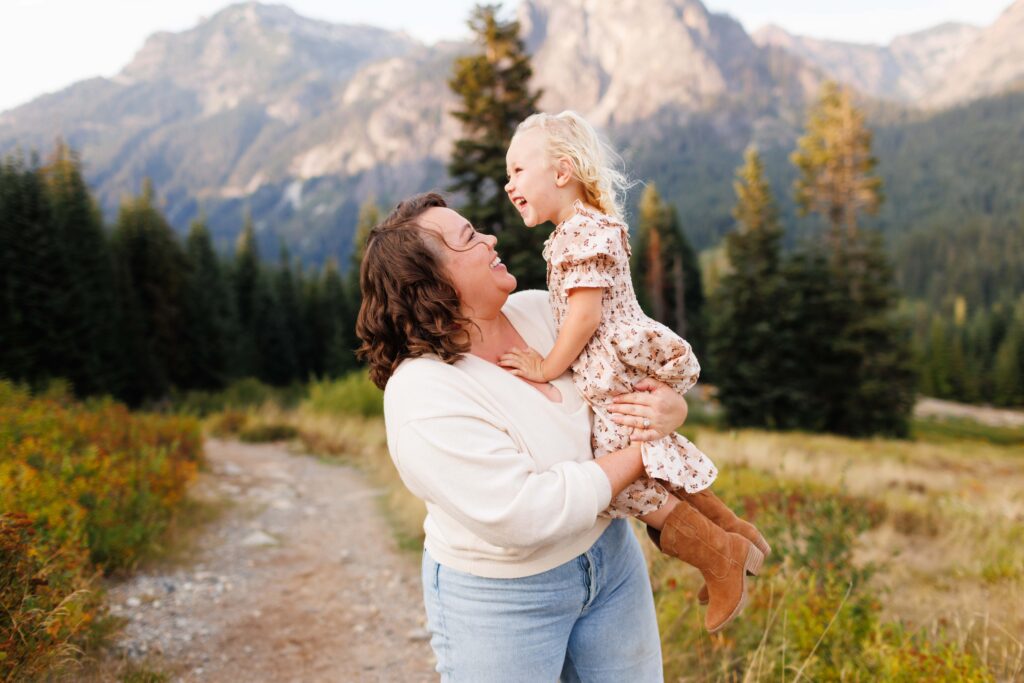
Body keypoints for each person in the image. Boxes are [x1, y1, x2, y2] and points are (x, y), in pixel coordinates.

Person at [357, 192, 690, 681]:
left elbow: (630, 383)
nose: (491, 238)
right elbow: (525, 513)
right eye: (470, 238)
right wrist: (643, 453)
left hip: (613, 562)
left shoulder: (544, 311)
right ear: (433, 283)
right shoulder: (423, 394)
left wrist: (669, 407)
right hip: (503, 599)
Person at [500, 111, 770, 633]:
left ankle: (720, 557)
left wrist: (546, 366)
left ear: (561, 172)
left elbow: (584, 315)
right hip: (617, 366)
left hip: (611, 369)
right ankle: (736, 536)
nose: (508, 185)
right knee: (652, 462)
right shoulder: (581, 229)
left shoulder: (581, 232)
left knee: (622, 481)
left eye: (516, 171)